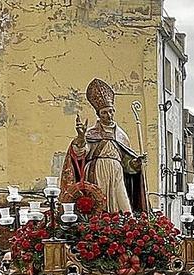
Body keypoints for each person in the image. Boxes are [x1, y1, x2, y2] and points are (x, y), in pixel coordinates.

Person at [60, 78, 148, 212]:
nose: (109, 115)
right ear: (99, 114)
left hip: (117, 172)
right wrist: (81, 137)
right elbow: (80, 154)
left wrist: (136, 163)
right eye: (104, 112)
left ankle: (127, 227)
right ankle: (101, 227)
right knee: (99, 204)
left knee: (124, 206)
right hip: (97, 171)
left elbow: (127, 164)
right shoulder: (91, 133)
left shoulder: (121, 136)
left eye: (111, 111)